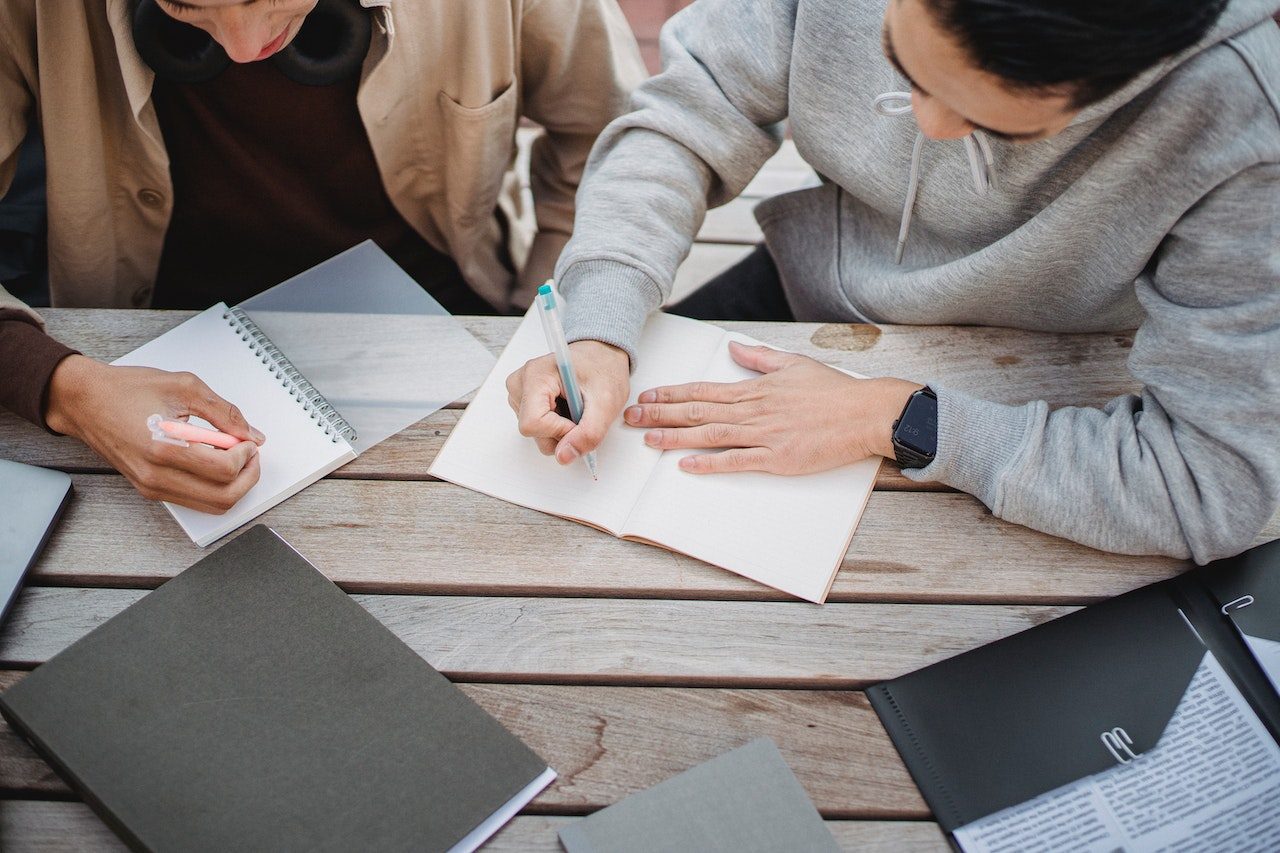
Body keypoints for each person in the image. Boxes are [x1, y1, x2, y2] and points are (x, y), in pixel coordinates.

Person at [507, 0, 1280, 563]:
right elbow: (685, 119)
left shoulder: (1246, 116)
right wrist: (599, 318)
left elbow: (1212, 484)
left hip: (1045, 377)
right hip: (811, 280)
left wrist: (896, 417)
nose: (929, 126)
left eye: (1001, 124)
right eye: (901, 61)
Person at [0, 0, 644, 514]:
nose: (241, 48)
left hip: (452, 319)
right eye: (183, 6)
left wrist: (560, 327)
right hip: (137, 347)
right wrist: (65, 389)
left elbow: (615, 144)